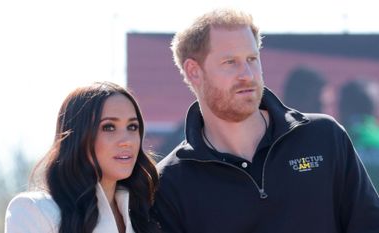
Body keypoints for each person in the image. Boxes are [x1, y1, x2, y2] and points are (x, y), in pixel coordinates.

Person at [152, 8, 379, 233]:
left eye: (252, 59)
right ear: (194, 71)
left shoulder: (325, 137)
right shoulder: (169, 183)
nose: (248, 75)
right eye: (230, 62)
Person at [5, 82, 159, 233]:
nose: (127, 141)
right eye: (109, 127)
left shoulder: (146, 215)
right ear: (78, 137)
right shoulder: (36, 211)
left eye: (132, 127)